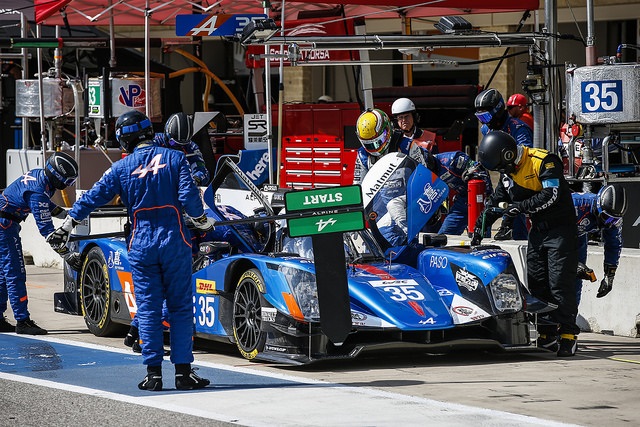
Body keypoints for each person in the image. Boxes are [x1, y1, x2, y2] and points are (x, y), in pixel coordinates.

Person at [50, 110, 214, 391]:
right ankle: (184, 374)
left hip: (140, 244)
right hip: (175, 241)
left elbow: (91, 197)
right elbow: (190, 198)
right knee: (180, 307)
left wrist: (67, 225)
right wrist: (200, 220)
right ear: (151, 132)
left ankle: (153, 375)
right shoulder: (175, 158)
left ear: (124, 141)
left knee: (148, 309)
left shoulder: (120, 168)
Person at [471, 131, 579, 357]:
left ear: (509, 155)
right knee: (537, 283)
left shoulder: (544, 161)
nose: (502, 173)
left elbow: (552, 195)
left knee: (560, 284)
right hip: (537, 232)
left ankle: (568, 335)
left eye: (502, 167)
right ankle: (547, 334)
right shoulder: (507, 174)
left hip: (561, 231)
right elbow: (494, 204)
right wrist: (479, 229)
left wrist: (520, 208)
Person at [0, 152, 79, 335]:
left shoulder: (40, 177)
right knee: (15, 272)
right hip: (5, 226)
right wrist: (67, 255)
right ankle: (23, 321)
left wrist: (68, 216)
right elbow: (48, 233)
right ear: (57, 177)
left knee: (4, 274)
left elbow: (47, 205)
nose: (68, 186)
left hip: (6, 223)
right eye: (67, 181)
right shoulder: (37, 191)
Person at [474, 88, 533, 240]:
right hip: (505, 177)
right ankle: (477, 234)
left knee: (516, 211)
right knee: (490, 209)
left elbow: (526, 154)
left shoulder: (518, 128)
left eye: (486, 116)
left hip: (522, 178)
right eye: (479, 116)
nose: (483, 121)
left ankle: (512, 229)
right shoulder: (487, 129)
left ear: (498, 109)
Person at [573, 184, 627, 305]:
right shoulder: (576, 204)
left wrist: (609, 276)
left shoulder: (615, 219)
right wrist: (570, 262)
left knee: (576, 281)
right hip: (555, 238)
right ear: (598, 207)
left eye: (614, 220)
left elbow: (614, 245)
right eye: (607, 218)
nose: (609, 223)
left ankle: (570, 320)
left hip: (579, 239)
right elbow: (552, 237)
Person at [422, 150, 493, 235]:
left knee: (481, 237)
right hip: (462, 200)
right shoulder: (424, 176)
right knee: (444, 236)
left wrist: (487, 198)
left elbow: (480, 170)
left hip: (479, 200)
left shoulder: (453, 159)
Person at [353, 108, 401, 184]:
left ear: (387, 130)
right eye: (368, 144)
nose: (375, 147)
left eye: (378, 141)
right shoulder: (362, 155)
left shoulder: (407, 146)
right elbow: (358, 184)